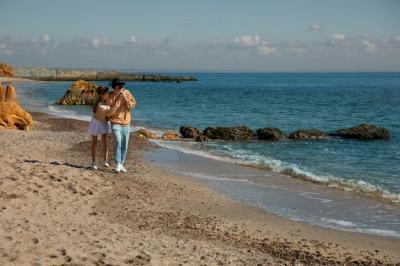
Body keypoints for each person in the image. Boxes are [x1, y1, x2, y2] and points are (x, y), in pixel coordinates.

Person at [106, 78, 136, 173]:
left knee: (125, 145)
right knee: (118, 141)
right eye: (118, 87)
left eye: (121, 87)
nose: (120, 88)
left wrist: (126, 99)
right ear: (114, 87)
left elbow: (132, 106)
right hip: (115, 122)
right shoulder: (110, 96)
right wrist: (118, 103)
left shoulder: (127, 93)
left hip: (126, 122)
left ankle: (122, 163)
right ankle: (118, 163)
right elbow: (108, 113)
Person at [88, 86, 110, 170]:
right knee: (94, 142)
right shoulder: (99, 103)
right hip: (96, 122)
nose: (108, 94)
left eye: (108, 93)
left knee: (104, 141)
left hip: (103, 122)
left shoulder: (105, 100)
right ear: (101, 95)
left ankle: (105, 161)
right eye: (106, 93)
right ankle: (93, 162)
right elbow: (106, 109)